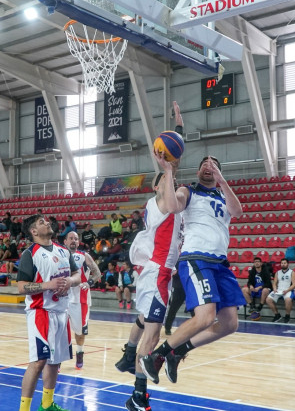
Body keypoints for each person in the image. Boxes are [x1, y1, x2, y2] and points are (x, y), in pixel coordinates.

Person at [140, 155, 244, 392]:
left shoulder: (222, 194)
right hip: (196, 258)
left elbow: (237, 211)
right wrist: (168, 171)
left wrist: (222, 181)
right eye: (204, 166)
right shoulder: (189, 191)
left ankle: (178, 352)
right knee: (205, 317)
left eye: (214, 166)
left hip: (220, 263)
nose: (208, 169)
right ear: (198, 172)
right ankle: (155, 356)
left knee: (230, 324)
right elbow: (173, 206)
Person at [117, 154, 183, 411]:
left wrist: (178, 132)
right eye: (165, 180)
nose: (171, 182)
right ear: (157, 187)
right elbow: (170, 179)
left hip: (157, 272)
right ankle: (137, 395)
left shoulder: (168, 203)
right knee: (153, 334)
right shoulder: (160, 203)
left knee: (145, 321)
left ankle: (129, 355)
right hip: (158, 273)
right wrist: (169, 167)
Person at [17, 214, 81, 411]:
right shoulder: (30, 254)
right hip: (41, 312)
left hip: (62, 311)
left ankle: (47, 405)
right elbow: (21, 287)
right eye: (41, 222)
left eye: (46, 220)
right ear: (34, 232)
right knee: (38, 362)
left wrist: (70, 281)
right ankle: (24, 409)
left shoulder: (63, 251)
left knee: (55, 361)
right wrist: (48, 285)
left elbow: (77, 274)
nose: (47, 223)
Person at [64, 231, 101, 369]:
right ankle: (58, 360)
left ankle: (79, 354)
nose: (74, 241)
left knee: (79, 333)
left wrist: (89, 283)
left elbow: (97, 273)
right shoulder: (59, 256)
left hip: (80, 300)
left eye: (76, 239)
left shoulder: (84, 256)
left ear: (79, 242)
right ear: (65, 242)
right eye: (71, 238)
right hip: (62, 299)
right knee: (61, 331)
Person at [266, 259, 295, 323]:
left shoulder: (292, 272)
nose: (283, 264)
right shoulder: (277, 272)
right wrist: (274, 288)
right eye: (282, 263)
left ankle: (287, 315)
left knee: (288, 300)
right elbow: (274, 283)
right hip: (279, 289)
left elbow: (294, 284)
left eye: (284, 263)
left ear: (288, 264)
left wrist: (287, 290)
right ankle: (277, 315)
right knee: (268, 299)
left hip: (288, 290)